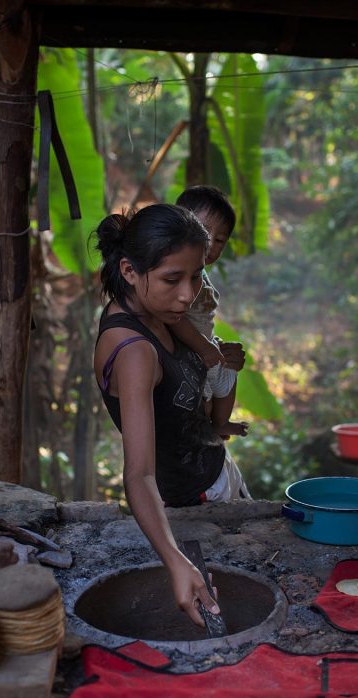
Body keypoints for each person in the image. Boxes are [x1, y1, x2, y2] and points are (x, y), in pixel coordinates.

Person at [93, 203, 250, 628]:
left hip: (216, 470)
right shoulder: (134, 351)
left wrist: (213, 354)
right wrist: (176, 561)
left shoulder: (163, 312)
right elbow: (139, 474)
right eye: (172, 279)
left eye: (197, 275)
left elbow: (196, 369)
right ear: (128, 270)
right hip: (190, 502)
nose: (188, 294)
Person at [171, 186, 248, 440]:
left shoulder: (201, 276)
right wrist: (203, 347)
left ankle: (221, 422)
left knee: (229, 372)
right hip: (190, 348)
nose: (209, 244)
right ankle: (212, 423)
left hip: (205, 344)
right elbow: (174, 318)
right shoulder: (172, 275)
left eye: (219, 240)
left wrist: (211, 347)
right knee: (203, 392)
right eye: (203, 232)